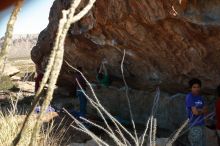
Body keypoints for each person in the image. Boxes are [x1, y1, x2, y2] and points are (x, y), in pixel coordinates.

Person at [185, 78, 207, 146]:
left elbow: (206, 110)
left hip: (202, 125)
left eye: (198, 87)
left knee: (203, 144)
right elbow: (195, 113)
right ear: (190, 88)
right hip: (194, 125)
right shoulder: (189, 97)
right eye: (194, 87)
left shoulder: (201, 98)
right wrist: (200, 110)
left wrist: (199, 110)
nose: (196, 89)